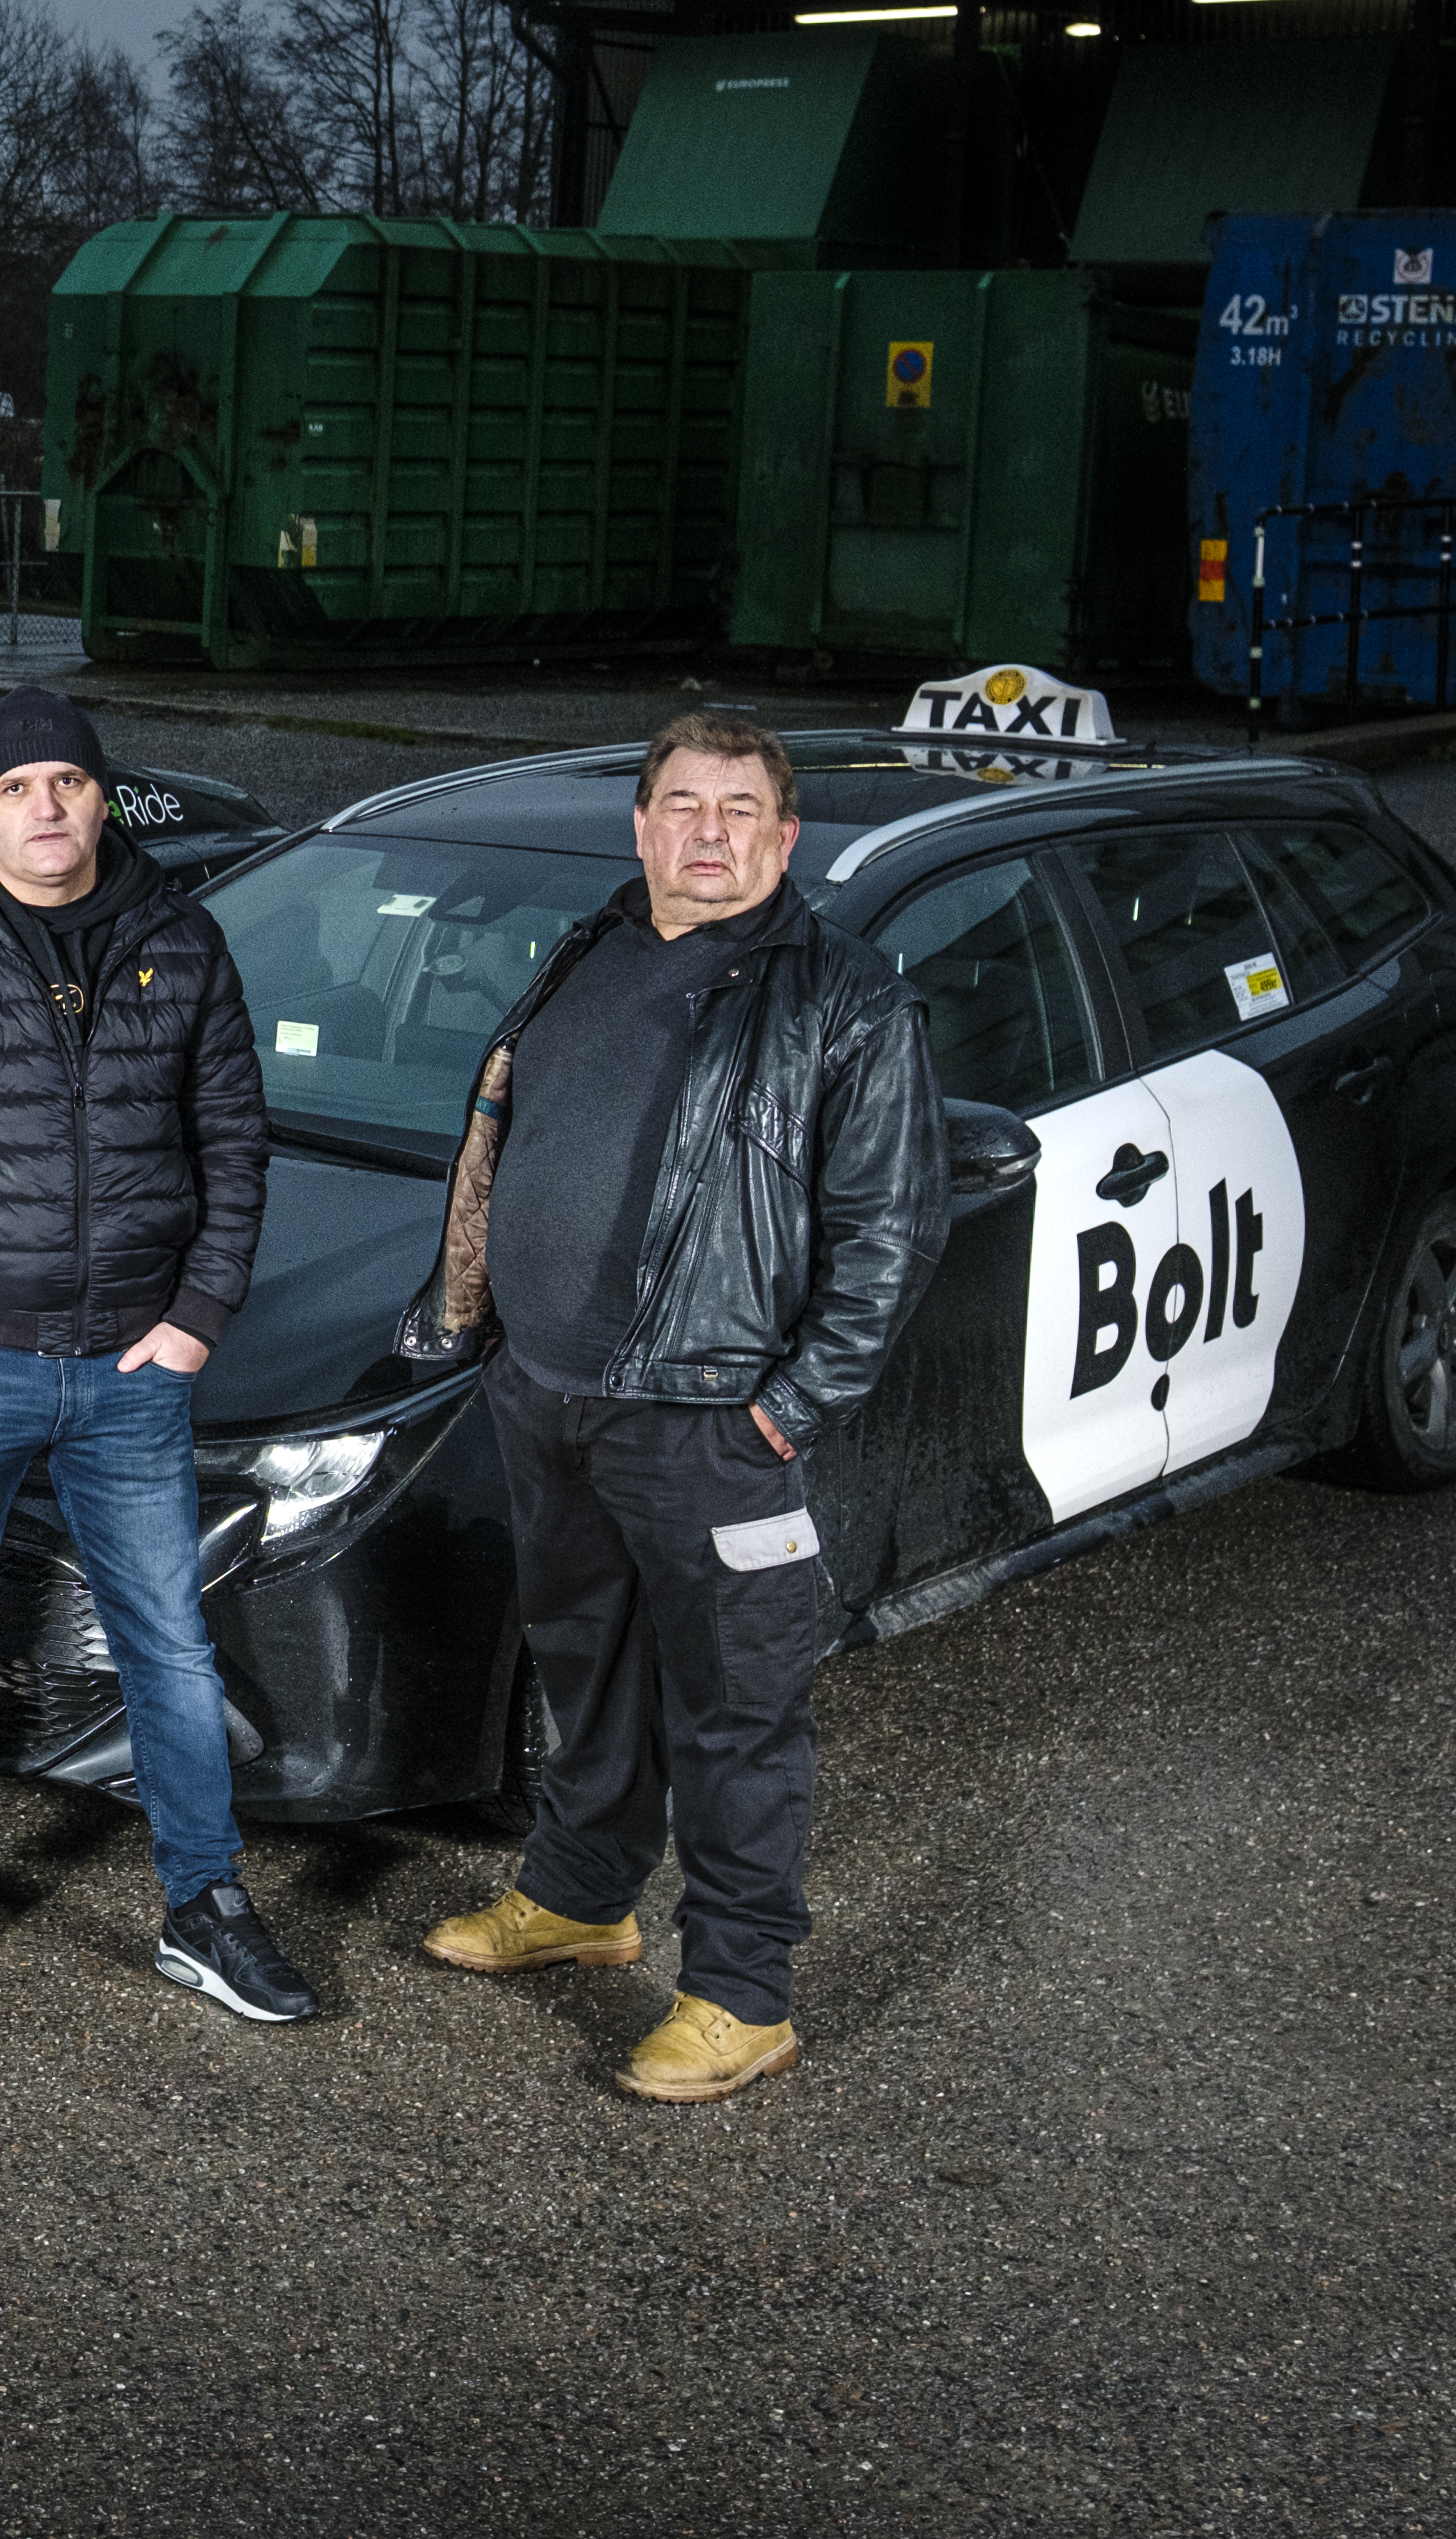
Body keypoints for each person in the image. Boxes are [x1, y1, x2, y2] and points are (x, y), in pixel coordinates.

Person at [410, 707, 947, 2099]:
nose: (706, 833)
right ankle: (583, 1896)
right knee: (584, 1664)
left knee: (736, 1705)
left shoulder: (844, 994)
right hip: (549, 1393)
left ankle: (740, 1992)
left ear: (782, 834)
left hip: (712, 1419)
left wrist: (786, 1410)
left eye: (738, 810)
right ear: (640, 823)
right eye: (681, 804)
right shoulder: (591, 947)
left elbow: (891, 1230)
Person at [0, 690, 311, 2020]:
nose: (45, 806)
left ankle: (203, 1903)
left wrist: (195, 1316)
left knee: (169, 1646)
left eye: (68, 784)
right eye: (17, 785)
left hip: (133, 1372)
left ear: (101, 799)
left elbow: (233, 1148)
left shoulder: (180, 939)